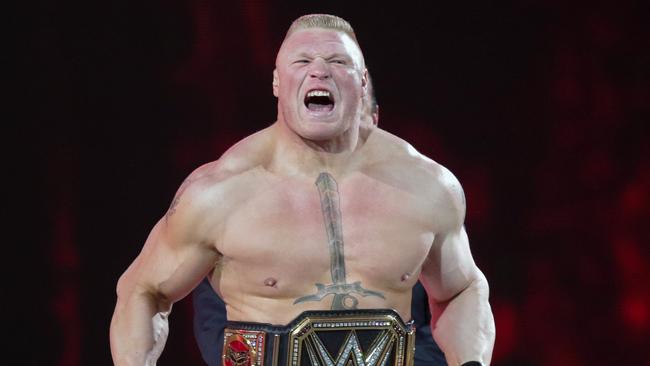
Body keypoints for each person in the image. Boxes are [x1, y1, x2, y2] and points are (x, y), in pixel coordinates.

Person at [110, 14, 495, 366]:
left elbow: (461, 289)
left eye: (338, 62)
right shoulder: (220, 190)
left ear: (362, 83)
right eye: (302, 61)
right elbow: (143, 291)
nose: (319, 72)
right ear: (277, 82)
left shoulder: (427, 184)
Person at [191, 74, 448, 366]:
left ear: (374, 120)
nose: (339, 132)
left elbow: (449, 313)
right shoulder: (240, 211)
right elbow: (220, 328)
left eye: (354, 116)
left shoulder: (417, 212)